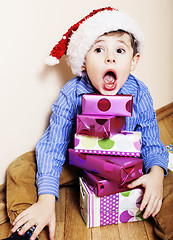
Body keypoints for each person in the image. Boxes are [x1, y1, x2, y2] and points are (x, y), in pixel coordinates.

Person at [3, 6, 173, 240]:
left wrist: (154, 174)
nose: (110, 58)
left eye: (120, 50)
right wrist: (46, 198)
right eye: (99, 49)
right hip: (79, 163)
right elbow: (53, 145)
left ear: (134, 61)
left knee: (166, 180)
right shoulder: (72, 93)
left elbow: (153, 142)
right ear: (83, 62)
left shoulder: (139, 93)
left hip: (128, 166)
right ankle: (28, 226)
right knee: (21, 168)